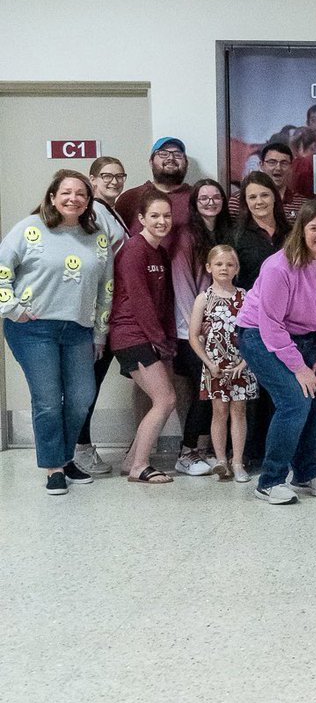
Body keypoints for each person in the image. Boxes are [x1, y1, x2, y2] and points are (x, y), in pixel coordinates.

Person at [234, 199, 316, 504]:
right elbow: (270, 325)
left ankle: (304, 472)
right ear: (301, 231)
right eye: (314, 228)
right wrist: (299, 368)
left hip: (307, 337)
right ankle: (270, 480)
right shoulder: (278, 266)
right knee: (295, 400)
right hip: (258, 335)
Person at [0, 170, 113, 496]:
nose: (73, 198)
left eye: (81, 193)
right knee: (48, 400)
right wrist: (13, 309)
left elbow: (106, 288)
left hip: (79, 328)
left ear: (88, 200)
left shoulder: (97, 237)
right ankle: (54, 468)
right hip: (32, 328)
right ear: (52, 196)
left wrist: (100, 333)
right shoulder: (28, 229)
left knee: (80, 399)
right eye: (66, 192)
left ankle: (65, 457)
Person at [109, 189, 178, 485]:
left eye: (166, 215)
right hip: (130, 335)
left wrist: (168, 339)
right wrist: (157, 339)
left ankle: (130, 462)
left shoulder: (160, 252)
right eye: (155, 216)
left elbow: (163, 301)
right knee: (165, 399)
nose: (162, 221)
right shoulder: (134, 250)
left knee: (162, 399)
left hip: (149, 336)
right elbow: (140, 301)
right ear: (141, 219)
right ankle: (140, 465)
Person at [170, 179, 233, 475]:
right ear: (194, 203)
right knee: (203, 392)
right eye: (203, 197)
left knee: (216, 393)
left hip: (221, 331)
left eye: (215, 197)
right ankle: (187, 452)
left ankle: (205, 449)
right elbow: (182, 283)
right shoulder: (186, 236)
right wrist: (197, 324)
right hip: (192, 332)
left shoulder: (223, 233)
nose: (210, 202)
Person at [74, 155, 130, 475]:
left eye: (119, 176)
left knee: (89, 384)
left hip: (109, 312)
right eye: (106, 176)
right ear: (92, 180)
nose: (113, 181)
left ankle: (78, 447)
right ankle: (80, 450)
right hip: (97, 315)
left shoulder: (111, 211)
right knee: (87, 385)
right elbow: (95, 267)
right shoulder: (94, 212)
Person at [187, 244, 257, 482]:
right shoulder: (203, 299)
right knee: (219, 411)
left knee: (239, 410)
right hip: (215, 366)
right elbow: (193, 335)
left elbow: (255, 332)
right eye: (219, 264)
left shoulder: (246, 297)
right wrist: (208, 363)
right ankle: (220, 460)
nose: (224, 268)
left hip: (240, 364)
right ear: (209, 267)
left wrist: (245, 361)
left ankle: (237, 462)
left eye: (229, 264)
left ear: (237, 268)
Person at [114, 136, 192, 248]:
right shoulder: (129, 198)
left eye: (177, 154)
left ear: (186, 163)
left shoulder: (199, 198)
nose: (171, 158)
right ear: (151, 162)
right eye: (163, 154)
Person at [232, 171, 287, 289]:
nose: (259, 201)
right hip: (251, 304)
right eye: (252, 197)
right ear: (245, 202)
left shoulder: (291, 233)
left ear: (275, 197)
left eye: (265, 195)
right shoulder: (235, 237)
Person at [230, 141, 305, 222]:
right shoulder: (238, 201)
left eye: (284, 163)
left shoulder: (302, 204)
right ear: (261, 165)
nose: (278, 168)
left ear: (291, 167)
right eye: (272, 162)